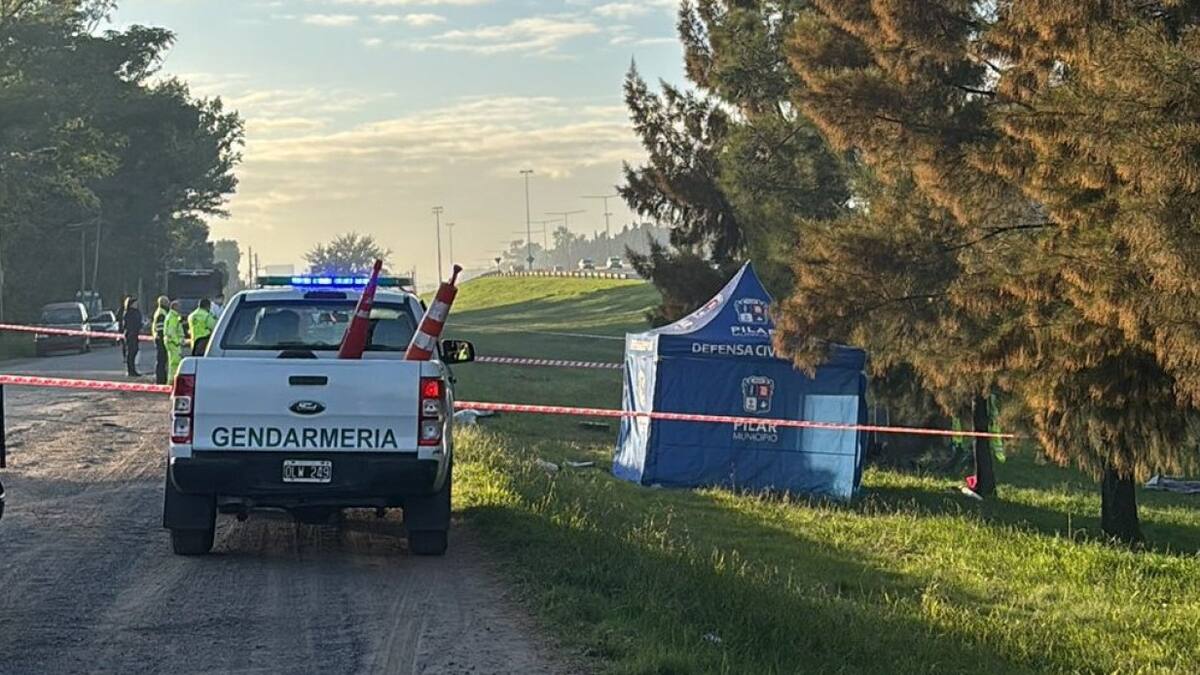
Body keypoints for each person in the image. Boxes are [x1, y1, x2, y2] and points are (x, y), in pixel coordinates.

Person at [163, 300, 185, 382]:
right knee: (175, 363)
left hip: (171, 342)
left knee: (173, 362)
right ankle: (172, 381)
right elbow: (171, 331)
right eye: (178, 306)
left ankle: (172, 380)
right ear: (174, 307)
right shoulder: (173, 317)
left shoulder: (172, 316)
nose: (180, 308)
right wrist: (178, 341)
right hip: (173, 343)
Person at [121, 296, 143, 377]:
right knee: (131, 353)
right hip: (130, 335)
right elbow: (127, 324)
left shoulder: (136, 312)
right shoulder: (128, 313)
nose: (136, 304)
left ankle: (133, 370)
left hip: (135, 334)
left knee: (135, 351)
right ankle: (131, 370)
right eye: (135, 303)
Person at [152, 296, 170, 384]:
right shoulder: (161, 313)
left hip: (159, 338)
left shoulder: (161, 311)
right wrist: (163, 339)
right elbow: (160, 328)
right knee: (161, 360)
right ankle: (160, 379)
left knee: (161, 360)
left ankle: (161, 378)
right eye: (167, 302)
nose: (168, 303)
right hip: (161, 339)